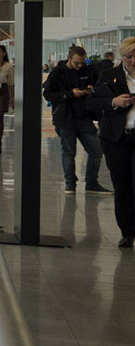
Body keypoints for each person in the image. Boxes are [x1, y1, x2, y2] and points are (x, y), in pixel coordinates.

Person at [86, 37, 135, 246]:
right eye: (129, 56)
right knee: (121, 184)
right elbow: (92, 102)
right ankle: (127, 231)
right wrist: (114, 102)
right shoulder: (109, 75)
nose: (133, 61)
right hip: (117, 138)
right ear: (121, 57)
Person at [47, 45, 108, 194]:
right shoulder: (57, 73)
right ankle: (70, 183)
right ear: (69, 58)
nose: (80, 66)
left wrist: (91, 89)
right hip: (65, 118)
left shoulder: (88, 71)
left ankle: (91, 183)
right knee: (69, 152)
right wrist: (70, 94)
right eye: (76, 63)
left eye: (82, 62)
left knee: (96, 150)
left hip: (84, 117)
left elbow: (97, 87)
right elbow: (48, 95)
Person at [0, 45, 15, 153]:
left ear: (4, 53)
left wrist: (12, 97)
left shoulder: (8, 67)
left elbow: (10, 83)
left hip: (2, 92)